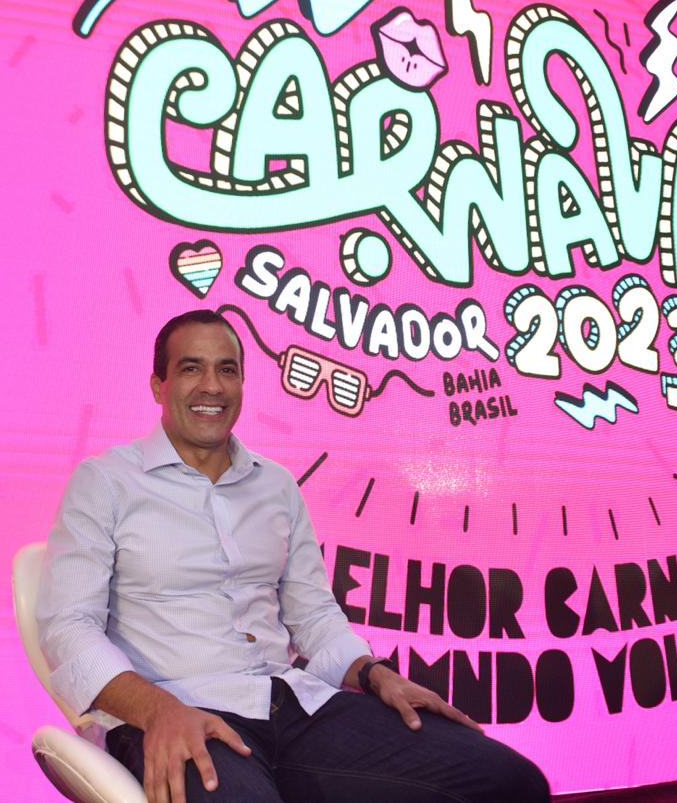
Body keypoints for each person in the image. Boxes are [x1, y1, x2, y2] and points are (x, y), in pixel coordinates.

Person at [37, 310, 550, 803]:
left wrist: (375, 673)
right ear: (158, 386)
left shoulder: (276, 486)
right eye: (191, 368)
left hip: (291, 706)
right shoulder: (106, 483)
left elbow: (314, 616)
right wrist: (157, 710)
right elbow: (69, 627)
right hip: (178, 713)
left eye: (227, 370)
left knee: (510, 782)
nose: (212, 386)